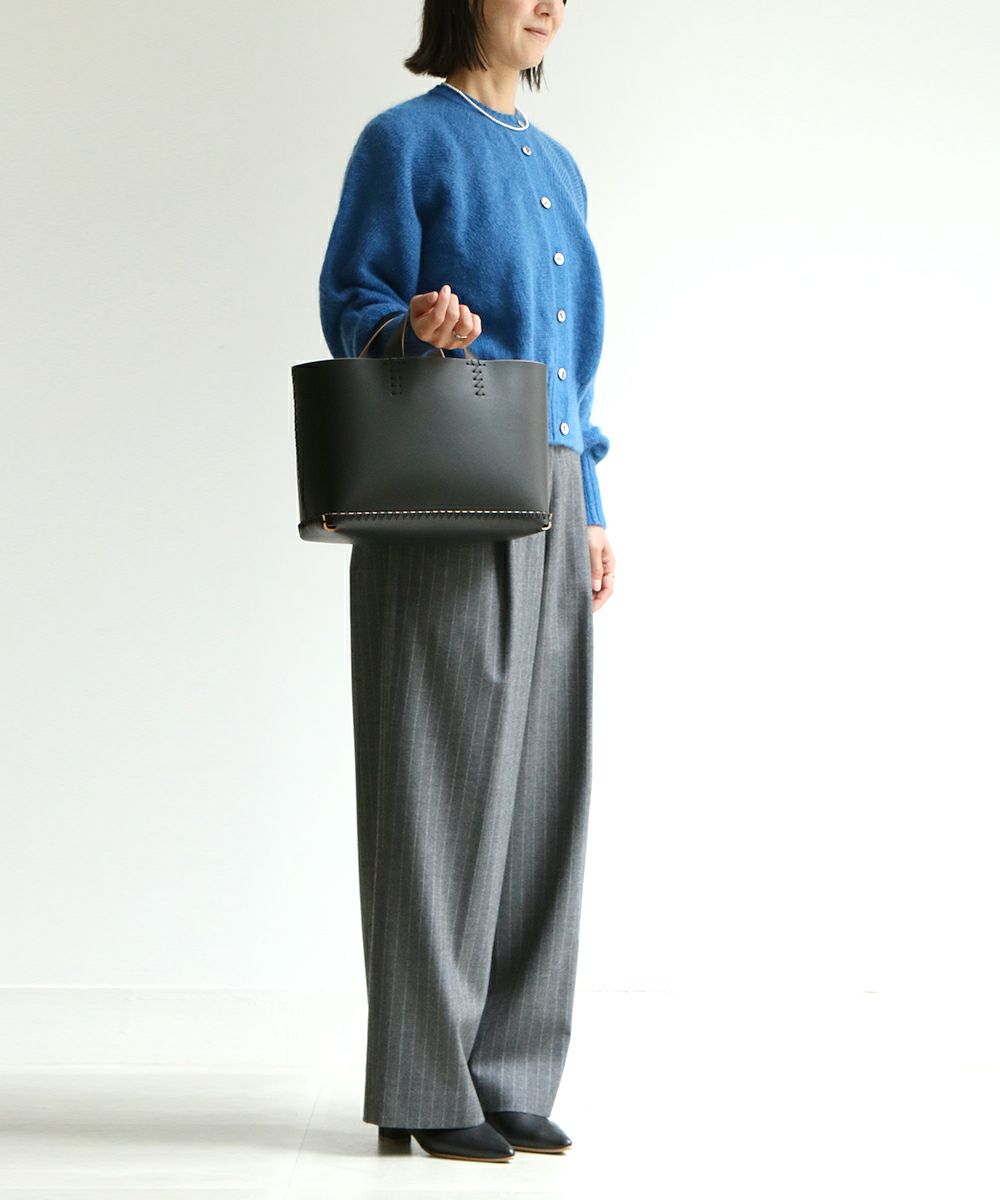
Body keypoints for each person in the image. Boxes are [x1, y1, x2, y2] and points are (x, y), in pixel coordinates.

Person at [318, 0, 616, 1164]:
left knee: (545, 784)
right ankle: (423, 1079)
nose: (548, 3)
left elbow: (577, 362)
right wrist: (416, 330)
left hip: (551, 484)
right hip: (446, 479)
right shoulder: (403, 141)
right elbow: (353, 304)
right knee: (433, 782)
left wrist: (593, 504)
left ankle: (510, 1070)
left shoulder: (561, 165)